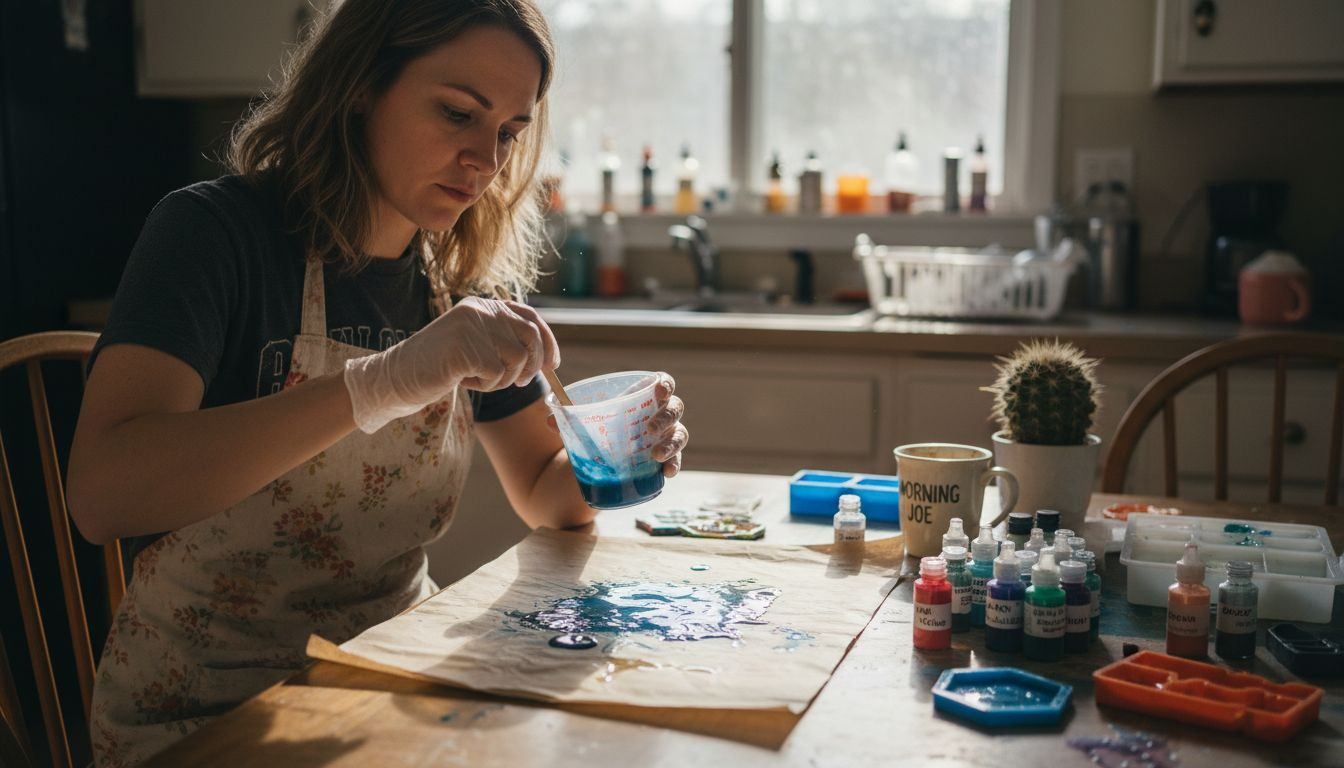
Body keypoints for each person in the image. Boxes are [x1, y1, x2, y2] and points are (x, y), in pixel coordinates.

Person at [66, 1, 688, 764]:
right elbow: (103, 497)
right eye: (457, 112)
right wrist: (382, 381)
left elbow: (542, 487)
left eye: (508, 132)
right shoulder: (215, 236)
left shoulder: (458, 284)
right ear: (361, 83)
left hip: (391, 679)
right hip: (202, 710)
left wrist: (620, 456)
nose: (485, 160)